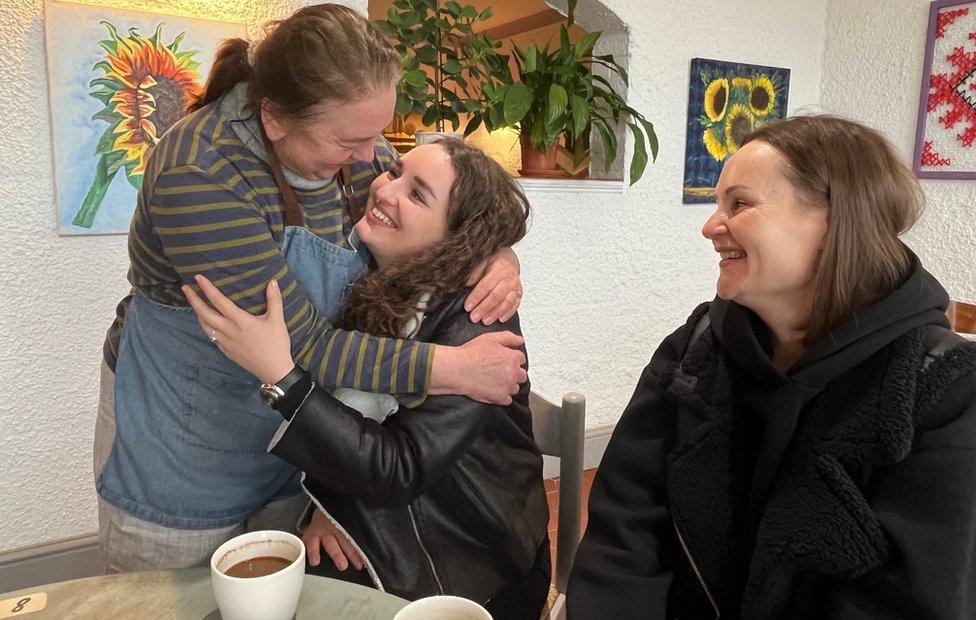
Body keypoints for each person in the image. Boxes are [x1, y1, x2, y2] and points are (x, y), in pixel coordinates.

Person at [93, 4, 527, 573]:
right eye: (352, 140)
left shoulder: (349, 146)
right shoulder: (202, 172)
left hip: (293, 430)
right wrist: (451, 369)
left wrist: (494, 251)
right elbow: (308, 350)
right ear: (274, 117)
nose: (374, 160)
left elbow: (452, 205)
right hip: (188, 436)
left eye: (378, 137)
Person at [567, 115, 976, 619]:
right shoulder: (695, 347)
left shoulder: (945, 388)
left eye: (738, 204)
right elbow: (625, 528)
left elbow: (909, 600)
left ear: (836, 220)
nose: (711, 226)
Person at [184, 139, 551, 619]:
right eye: (394, 172)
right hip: (389, 513)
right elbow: (357, 419)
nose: (384, 190)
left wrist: (281, 376)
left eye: (417, 195)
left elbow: (399, 468)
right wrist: (329, 504)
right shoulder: (375, 281)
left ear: (458, 239)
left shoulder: (478, 320)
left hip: (470, 558)